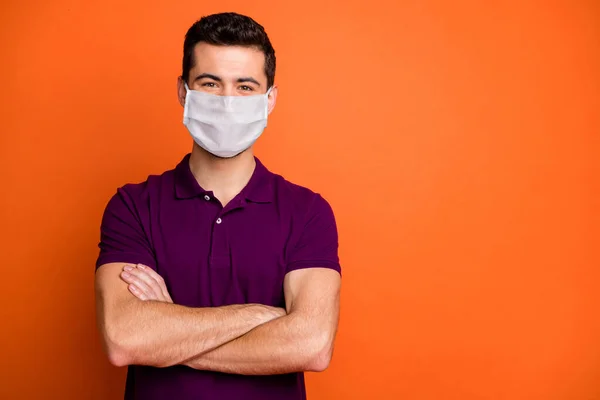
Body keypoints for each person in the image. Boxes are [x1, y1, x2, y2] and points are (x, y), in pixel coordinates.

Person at [94, 12, 342, 400]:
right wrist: (258, 316)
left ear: (269, 99)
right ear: (183, 91)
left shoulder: (307, 212)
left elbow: (311, 345)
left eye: (245, 86)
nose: (228, 102)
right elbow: (125, 338)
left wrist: (170, 332)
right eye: (210, 83)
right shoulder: (133, 205)